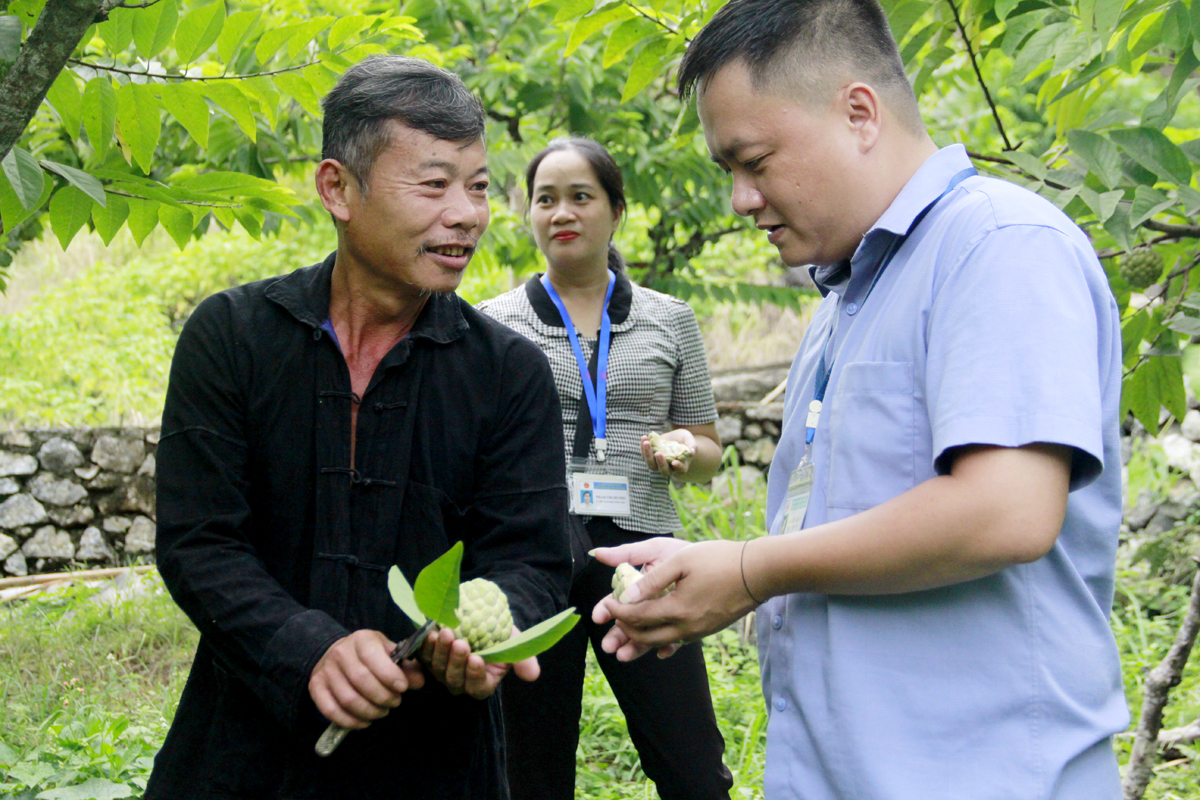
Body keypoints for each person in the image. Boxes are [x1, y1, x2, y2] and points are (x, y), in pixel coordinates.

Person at [592, 1, 1128, 798]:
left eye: (756, 160)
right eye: (727, 172)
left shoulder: (998, 246)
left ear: (859, 113)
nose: (740, 199)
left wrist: (747, 570)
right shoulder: (845, 300)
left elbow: (1008, 510)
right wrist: (715, 571)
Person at [146, 56, 572, 800]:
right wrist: (305, 650)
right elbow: (199, 541)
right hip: (242, 755)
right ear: (337, 187)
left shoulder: (509, 371)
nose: (467, 213)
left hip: (437, 765)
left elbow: (532, 560)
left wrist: (490, 631)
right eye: (434, 184)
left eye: (477, 187)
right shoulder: (233, 337)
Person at [477, 137, 733, 800]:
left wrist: (682, 450)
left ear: (616, 210)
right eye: (546, 199)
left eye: (580, 197)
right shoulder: (492, 325)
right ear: (529, 215)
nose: (562, 212)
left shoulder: (668, 319)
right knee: (530, 764)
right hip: (534, 550)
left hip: (643, 549)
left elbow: (709, 449)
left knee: (691, 760)